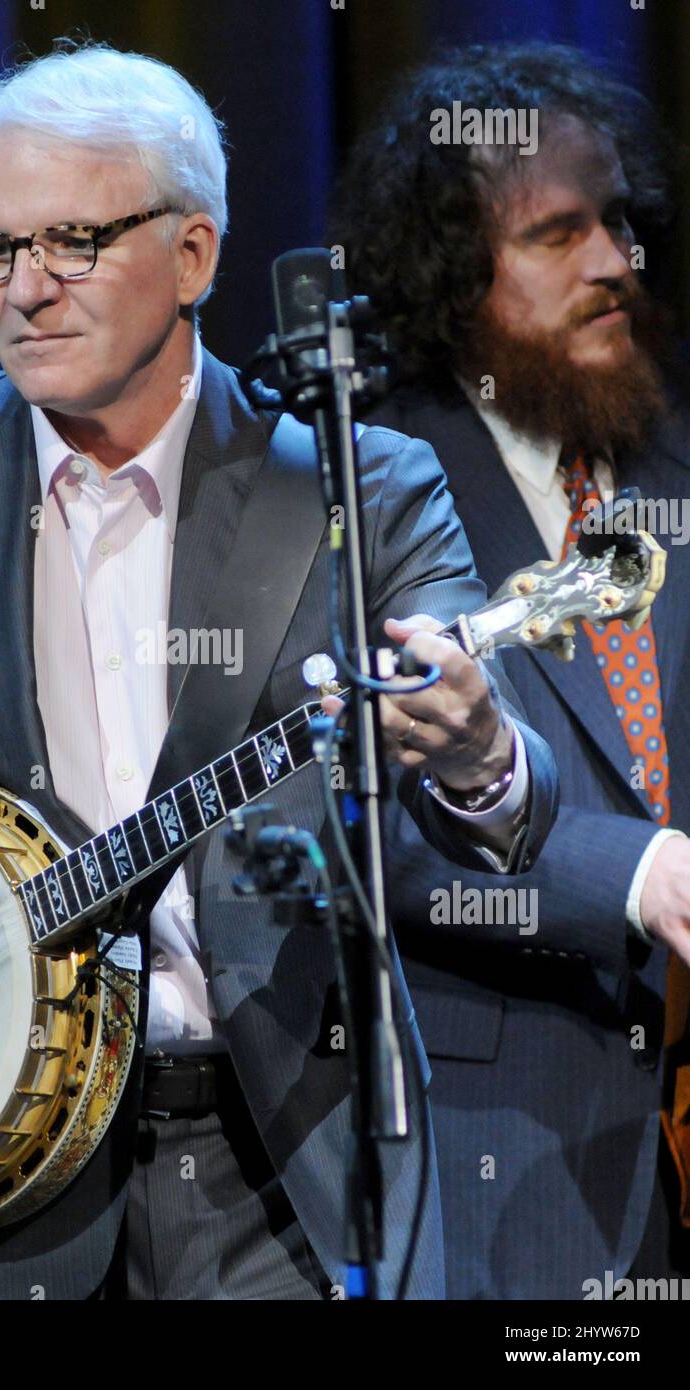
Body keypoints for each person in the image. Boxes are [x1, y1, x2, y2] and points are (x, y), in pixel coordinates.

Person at [0, 40, 557, 1301]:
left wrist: (479, 757)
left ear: (192, 254)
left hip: (284, 1174)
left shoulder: (356, 487)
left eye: (72, 242)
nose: (22, 289)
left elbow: (503, 799)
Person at [332, 41, 690, 1299]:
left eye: (615, 224)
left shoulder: (672, 471)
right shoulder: (365, 491)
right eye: (555, 234)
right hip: (513, 1166)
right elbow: (362, 832)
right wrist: (633, 875)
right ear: (451, 275)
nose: (610, 265)